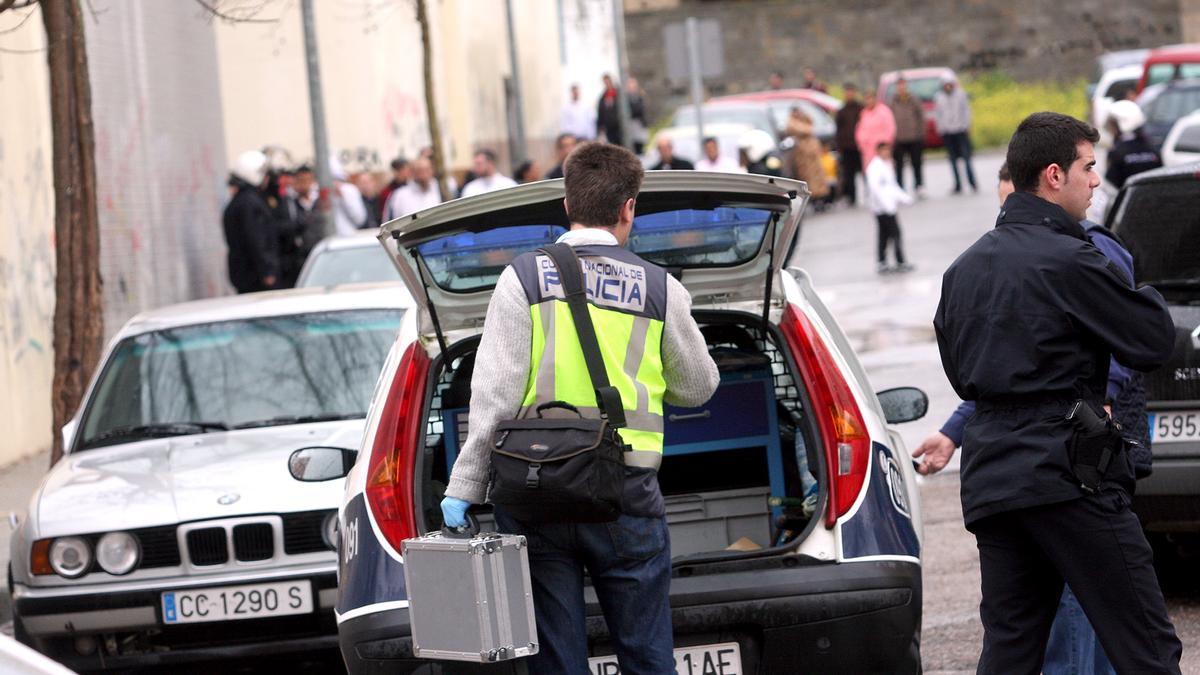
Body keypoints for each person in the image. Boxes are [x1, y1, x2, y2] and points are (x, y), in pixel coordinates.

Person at [439, 141, 719, 673]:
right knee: (646, 655)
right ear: (628, 208)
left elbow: (494, 395)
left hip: (534, 492)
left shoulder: (521, 279)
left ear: (567, 205)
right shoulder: (660, 287)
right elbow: (698, 388)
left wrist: (465, 486)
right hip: (625, 494)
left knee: (556, 661)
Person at [931, 111, 1182, 674]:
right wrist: (1135, 278)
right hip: (1069, 474)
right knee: (1146, 645)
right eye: (1087, 167)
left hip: (994, 477)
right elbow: (1151, 340)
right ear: (1053, 175)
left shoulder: (962, 270)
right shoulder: (1072, 257)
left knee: (1011, 650)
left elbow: (961, 373)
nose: (1096, 180)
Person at [223, 150, 279, 293]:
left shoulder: (242, 201)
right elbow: (256, 239)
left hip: (246, 274)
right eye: (264, 174)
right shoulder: (250, 203)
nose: (267, 179)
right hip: (254, 277)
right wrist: (267, 270)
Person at [865, 142, 913, 274]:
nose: (887, 153)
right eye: (884, 150)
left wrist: (904, 198)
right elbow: (875, 189)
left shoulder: (886, 164)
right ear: (878, 151)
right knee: (895, 234)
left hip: (888, 206)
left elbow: (892, 186)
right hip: (883, 208)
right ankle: (899, 261)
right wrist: (885, 206)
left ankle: (882, 262)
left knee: (884, 235)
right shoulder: (875, 167)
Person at [278, 163, 323, 287]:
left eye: (308, 180)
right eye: (301, 180)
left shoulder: (320, 201)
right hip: (297, 259)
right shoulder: (288, 204)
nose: (305, 184)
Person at [1104, 99, 1162, 189]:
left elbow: (1110, 184)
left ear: (1122, 124)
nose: (1111, 129)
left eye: (1112, 125)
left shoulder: (1117, 153)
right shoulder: (1153, 149)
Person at [933, 77, 977, 194]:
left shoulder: (961, 94)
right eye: (945, 85)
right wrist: (941, 129)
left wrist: (966, 125)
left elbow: (966, 111)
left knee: (966, 158)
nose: (948, 87)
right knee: (952, 160)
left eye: (949, 84)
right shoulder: (939, 97)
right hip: (947, 132)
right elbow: (938, 114)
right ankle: (958, 184)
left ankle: (972, 182)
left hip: (960, 130)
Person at [890, 78, 926, 197]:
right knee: (899, 166)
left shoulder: (914, 99)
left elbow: (921, 117)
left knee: (917, 163)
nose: (901, 88)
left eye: (903, 86)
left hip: (914, 137)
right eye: (899, 86)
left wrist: (921, 133)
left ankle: (919, 185)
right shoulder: (893, 101)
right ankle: (900, 188)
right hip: (899, 138)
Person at [786, 107, 830, 200]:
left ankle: (820, 195)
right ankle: (813, 195)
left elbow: (811, 122)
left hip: (812, 152)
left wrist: (804, 116)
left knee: (818, 174)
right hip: (803, 154)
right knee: (807, 176)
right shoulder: (792, 123)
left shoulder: (803, 120)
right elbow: (805, 130)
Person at [835, 83, 865, 205]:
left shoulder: (861, 108)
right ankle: (852, 197)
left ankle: (871, 194)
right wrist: (839, 146)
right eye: (847, 92)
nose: (849, 94)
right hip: (847, 146)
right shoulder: (841, 111)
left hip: (860, 146)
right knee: (849, 174)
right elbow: (838, 130)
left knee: (866, 171)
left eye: (851, 92)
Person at [855, 89, 896, 168]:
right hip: (868, 152)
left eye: (871, 98)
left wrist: (885, 146)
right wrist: (862, 145)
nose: (869, 101)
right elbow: (860, 130)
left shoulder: (884, 111)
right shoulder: (863, 113)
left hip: (882, 150)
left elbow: (890, 129)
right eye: (867, 99)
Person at [329, 155, 368, 235]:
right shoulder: (317, 192)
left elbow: (360, 219)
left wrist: (343, 197)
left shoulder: (350, 190)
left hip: (349, 237)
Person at [377, 157, 410, 222]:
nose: (406, 173)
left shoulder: (413, 187)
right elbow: (385, 215)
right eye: (402, 170)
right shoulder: (387, 192)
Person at [596, 73, 623, 145]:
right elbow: (600, 114)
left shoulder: (619, 94)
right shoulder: (603, 97)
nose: (607, 84)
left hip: (620, 128)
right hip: (609, 129)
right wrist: (600, 129)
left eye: (608, 81)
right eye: (605, 82)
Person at [626, 77, 649, 154]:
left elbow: (641, 110)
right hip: (631, 126)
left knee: (640, 147)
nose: (632, 88)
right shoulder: (626, 99)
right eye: (630, 86)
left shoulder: (639, 97)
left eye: (634, 86)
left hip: (639, 125)